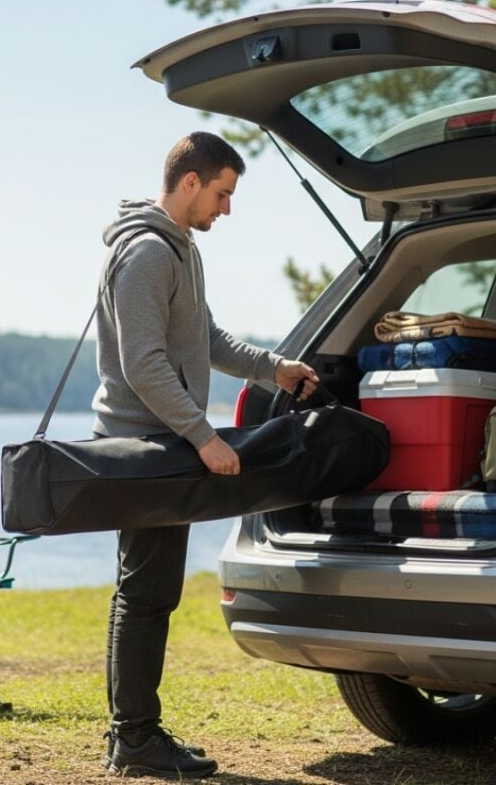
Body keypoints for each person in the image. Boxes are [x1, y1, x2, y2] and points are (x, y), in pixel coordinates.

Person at [93, 131, 319, 779]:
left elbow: (206, 339)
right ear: (189, 182)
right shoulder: (145, 254)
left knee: (148, 590)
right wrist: (204, 436)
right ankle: (134, 741)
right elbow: (144, 365)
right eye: (222, 194)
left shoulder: (180, 250)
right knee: (145, 593)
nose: (226, 208)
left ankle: (131, 738)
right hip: (145, 444)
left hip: (166, 440)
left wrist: (274, 369)